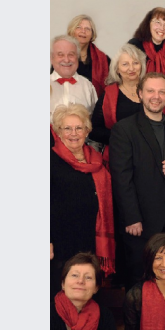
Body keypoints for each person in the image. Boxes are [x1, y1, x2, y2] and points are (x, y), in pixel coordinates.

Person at [109, 72, 165, 289]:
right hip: (141, 222)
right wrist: (131, 217)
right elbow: (122, 178)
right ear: (140, 94)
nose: (155, 96)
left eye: (161, 91)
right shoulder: (124, 129)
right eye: (150, 91)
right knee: (141, 282)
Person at [50, 105, 116, 295]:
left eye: (79, 128)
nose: (73, 133)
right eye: (67, 128)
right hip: (62, 242)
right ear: (58, 131)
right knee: (62, 294)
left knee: (89, 292)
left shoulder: (96, 159)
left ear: (87, 130)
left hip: (91, 239)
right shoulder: (49, 160)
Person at [90, 44, 145, 150]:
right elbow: (94, 131)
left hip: (152, 154)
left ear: (141, 66)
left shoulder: (153, 90)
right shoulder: (108, 94)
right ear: (117, 69)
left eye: (135, 63)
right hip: (120, 154)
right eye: (125, 64)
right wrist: (122, 138)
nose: (131, 68)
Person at [129, 7, 165, 95]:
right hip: (136, 100)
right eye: (158, 22)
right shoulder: (134, 46)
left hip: (163, 104)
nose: (162, 28)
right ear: (148, 24)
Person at [51, 35, 97, 119]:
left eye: (71, 55)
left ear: (78, 57)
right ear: (51, 58)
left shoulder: (87, 86)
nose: (66, 60)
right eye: (60, 55)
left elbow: (95, 120)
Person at [67, 14, 111, 98]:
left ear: (92, 35)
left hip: (95, 106)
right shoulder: (61, 57)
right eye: (79, 27)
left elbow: (112, 87)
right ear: (72, 31)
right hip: (65, 106)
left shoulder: (103, 59)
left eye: (87, 29)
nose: (83, 31)